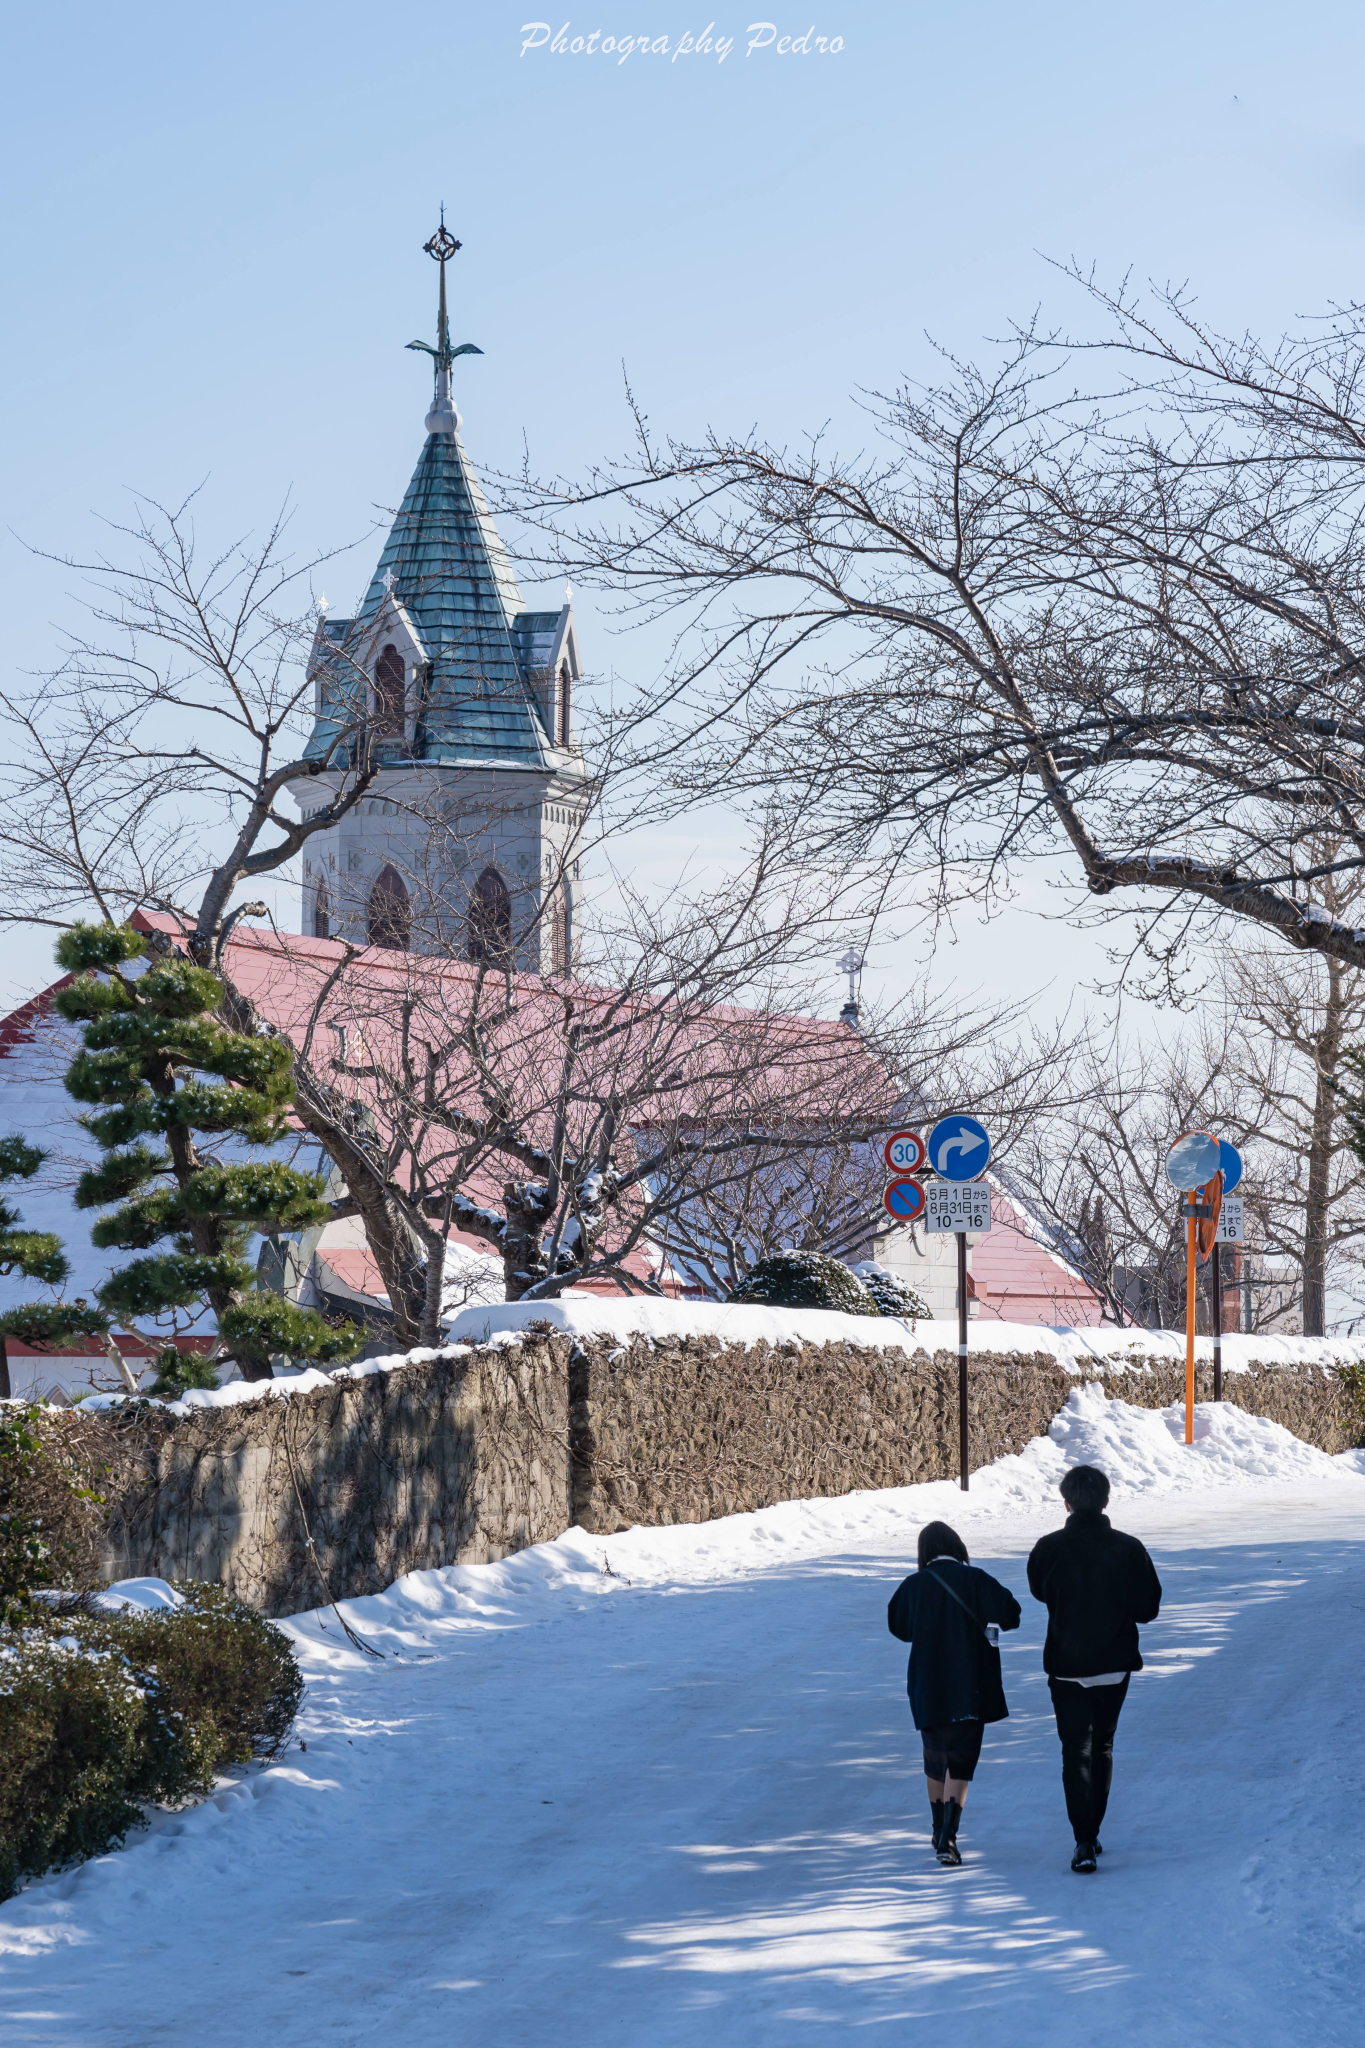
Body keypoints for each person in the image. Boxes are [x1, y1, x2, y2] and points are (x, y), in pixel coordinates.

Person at [1027, 1463, 1162, 1874]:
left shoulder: (1048, 1547)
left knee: (1074, 1751)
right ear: (1106, 1499)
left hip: (1065, 1665)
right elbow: (1148, 1609)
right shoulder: (1128, 1547)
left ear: (1066, 1502)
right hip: (1113, 1663)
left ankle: (1082, 1839)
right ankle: (1092, 1832)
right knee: (1102, 1747)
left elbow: (1038, 1591)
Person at [887, 1520, 1022, 1866]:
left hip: (926, 1686)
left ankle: (936, 1829)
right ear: (957, 1546)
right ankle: (948, 1837)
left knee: (935, 1760)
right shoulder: (975, 1579)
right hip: (969, 1687)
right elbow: (1011, 1613)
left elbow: (898, 1626)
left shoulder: (913, 1585)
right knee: (960, 1763)